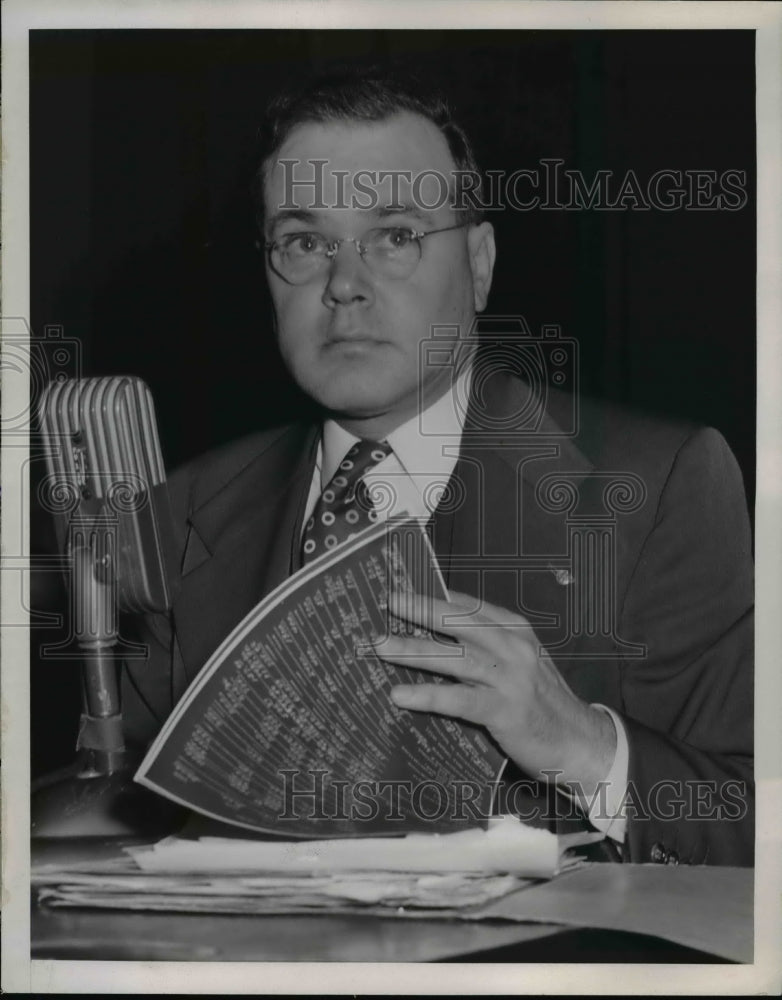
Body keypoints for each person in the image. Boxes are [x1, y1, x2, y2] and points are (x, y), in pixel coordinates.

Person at [122, 66, 754, 866]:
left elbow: (752, 821)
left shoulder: (658, 485)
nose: (344, 284)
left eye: (395, 235)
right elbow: (118, 829)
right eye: (305, 241)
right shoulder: (174, 516)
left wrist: (586, 746)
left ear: (480, 264)